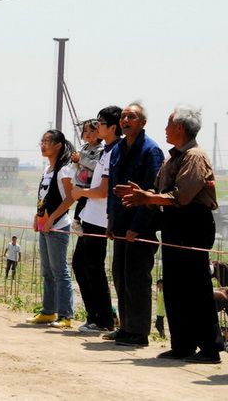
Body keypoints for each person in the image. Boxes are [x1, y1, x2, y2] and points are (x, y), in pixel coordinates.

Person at [120, 105, 223, 362]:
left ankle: (210, 348)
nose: (165, 128)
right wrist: (144, 200)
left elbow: (182, 196)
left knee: (196, 287)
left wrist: (149, 197)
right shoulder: (173, 157)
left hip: (192, 223)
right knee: (174, 286)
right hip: (174, 224)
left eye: (168, 123)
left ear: (179, 127)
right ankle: (183, 344)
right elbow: (158, 193)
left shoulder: (194, 157)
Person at [104, 102, 164, 347]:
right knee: (120, 275)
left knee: (137, 279)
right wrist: (110, 220)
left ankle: (139, 333)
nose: (125, 120)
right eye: (124, 116)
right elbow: (111, 189)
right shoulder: (118, 148)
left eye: (132, 116)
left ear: (143, 123)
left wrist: (137, 227)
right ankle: (126, 327)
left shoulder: (151, 151)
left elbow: (152, 193)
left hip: (141, 227)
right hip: (119, 224)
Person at [70, 106, 122, 334]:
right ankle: (96, 315)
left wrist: (81, 193)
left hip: (100, 217)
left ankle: (103, 319)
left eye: (100, 123)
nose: (95, 127)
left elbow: (103, 190)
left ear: (112, 127)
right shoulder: (107, 150)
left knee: (93, 268)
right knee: (81, 265)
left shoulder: (112, 151)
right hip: (90, 214)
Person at [26, 130, 75, 328]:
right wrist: (37, 217)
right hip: (45, 224)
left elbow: (70, 198)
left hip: (58, 226)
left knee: (60, 271)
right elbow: (43, 197)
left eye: (48, 141)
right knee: (47, 271)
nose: (43, 145)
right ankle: (48, 311)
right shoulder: (47, 169)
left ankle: (65, 315)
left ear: (58, 145)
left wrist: (52, 219)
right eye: (42, 140)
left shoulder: (64, 170)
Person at [70, 119, 103, 230]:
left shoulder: (100, 149)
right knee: (81, 201)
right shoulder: (82, 148)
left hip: (91, 183)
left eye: (92, 131)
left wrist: (80, 159)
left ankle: (76, 221)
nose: (87, 134)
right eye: (85, 131)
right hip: (80, 181)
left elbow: (96, 165)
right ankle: (77, 221)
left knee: (85, 201)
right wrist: (75, 161)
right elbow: (75, 166)